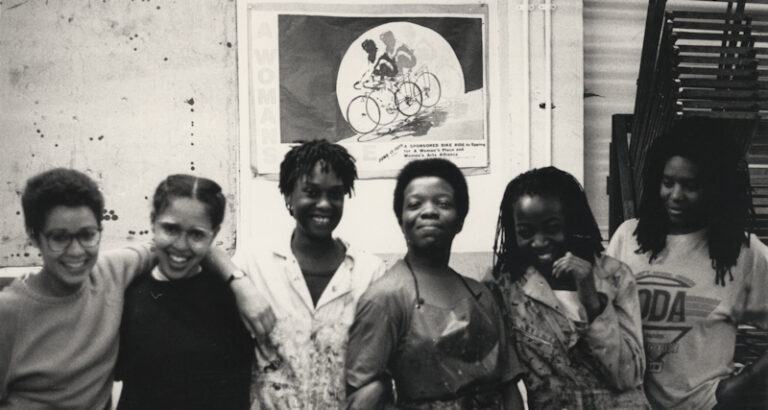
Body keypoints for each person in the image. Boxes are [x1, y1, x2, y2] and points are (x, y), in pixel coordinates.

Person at [210, 139, 386, 409]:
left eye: (335, 194)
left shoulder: (369, 272)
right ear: (288, 196)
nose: (324, 204)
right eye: (311, 192)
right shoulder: (255, 263)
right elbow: (201, 249)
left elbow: (387, 357)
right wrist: (238, 282)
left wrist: (382, 385)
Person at [607, 120, 768, 409]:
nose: (676, 195)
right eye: (668, 182)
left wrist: (744, 383)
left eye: (691, 185)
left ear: (717, 188)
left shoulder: (741, 252)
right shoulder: (628, 237)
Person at [346, 158, 524, 410]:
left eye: (443, 203)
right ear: (401, 220)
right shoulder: (385, 297)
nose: (428, 211)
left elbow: (508, 386)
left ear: (460, 220)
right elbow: (360, 396)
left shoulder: (481, 295)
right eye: (415, 204)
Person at [492, 166, 650, 409]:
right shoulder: (505, 287)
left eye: (551, 228)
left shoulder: (614, 276)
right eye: (525, 232)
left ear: (572, 223)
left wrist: (591, 299)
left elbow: (628, 376)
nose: (539, 242)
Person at [0, 168, 154, 408]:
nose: (76, 251)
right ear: (34, 237)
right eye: (60, 238)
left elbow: (170, 243)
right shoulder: (8, 312)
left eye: (87, 235)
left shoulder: (111, 272)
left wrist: (224, 269)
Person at [115, 174, 253, 409]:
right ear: (153, 222)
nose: (180, 245)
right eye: (170, 229)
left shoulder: (230, 300)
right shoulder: (127, 293)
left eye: (196, 234)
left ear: (214, 234)